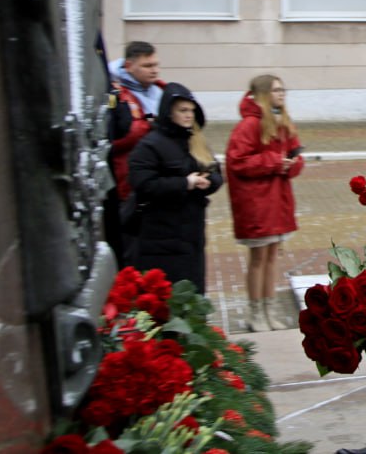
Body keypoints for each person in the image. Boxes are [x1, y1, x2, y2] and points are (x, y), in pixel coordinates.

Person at [225, 74, 304, 333]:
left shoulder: (283, 121)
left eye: (283, 89)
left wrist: (293, 163)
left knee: (272, 257)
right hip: (257, 203)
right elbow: (237, 161)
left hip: (277, 201)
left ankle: (270, 309)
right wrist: (274, 162)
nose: (282, 94)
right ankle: (255, 312)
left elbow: (295, 154)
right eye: (276, 90)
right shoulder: (249, 124)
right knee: (258, 258)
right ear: (262, 94)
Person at [127, 83, 223, 293]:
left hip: (192, 233)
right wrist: (184, 183)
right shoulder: (150, 145)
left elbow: (216, 172)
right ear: (169, 112)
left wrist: (209, 182)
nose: (189, 115)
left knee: (193, 291)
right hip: (161, 234)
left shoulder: (196, 141)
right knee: (166, 294)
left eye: (191, 110)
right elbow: (143, 183)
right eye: (183, 110)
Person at [105, 41, 165, 263]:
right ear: (129, 66)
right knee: (134, 250)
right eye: (147, 65)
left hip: (158, 179)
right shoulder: (115, 94)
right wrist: (149, 125)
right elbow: (113, 138)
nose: (154, 70)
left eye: (156, 64)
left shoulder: (160, 89)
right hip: (130, 183)